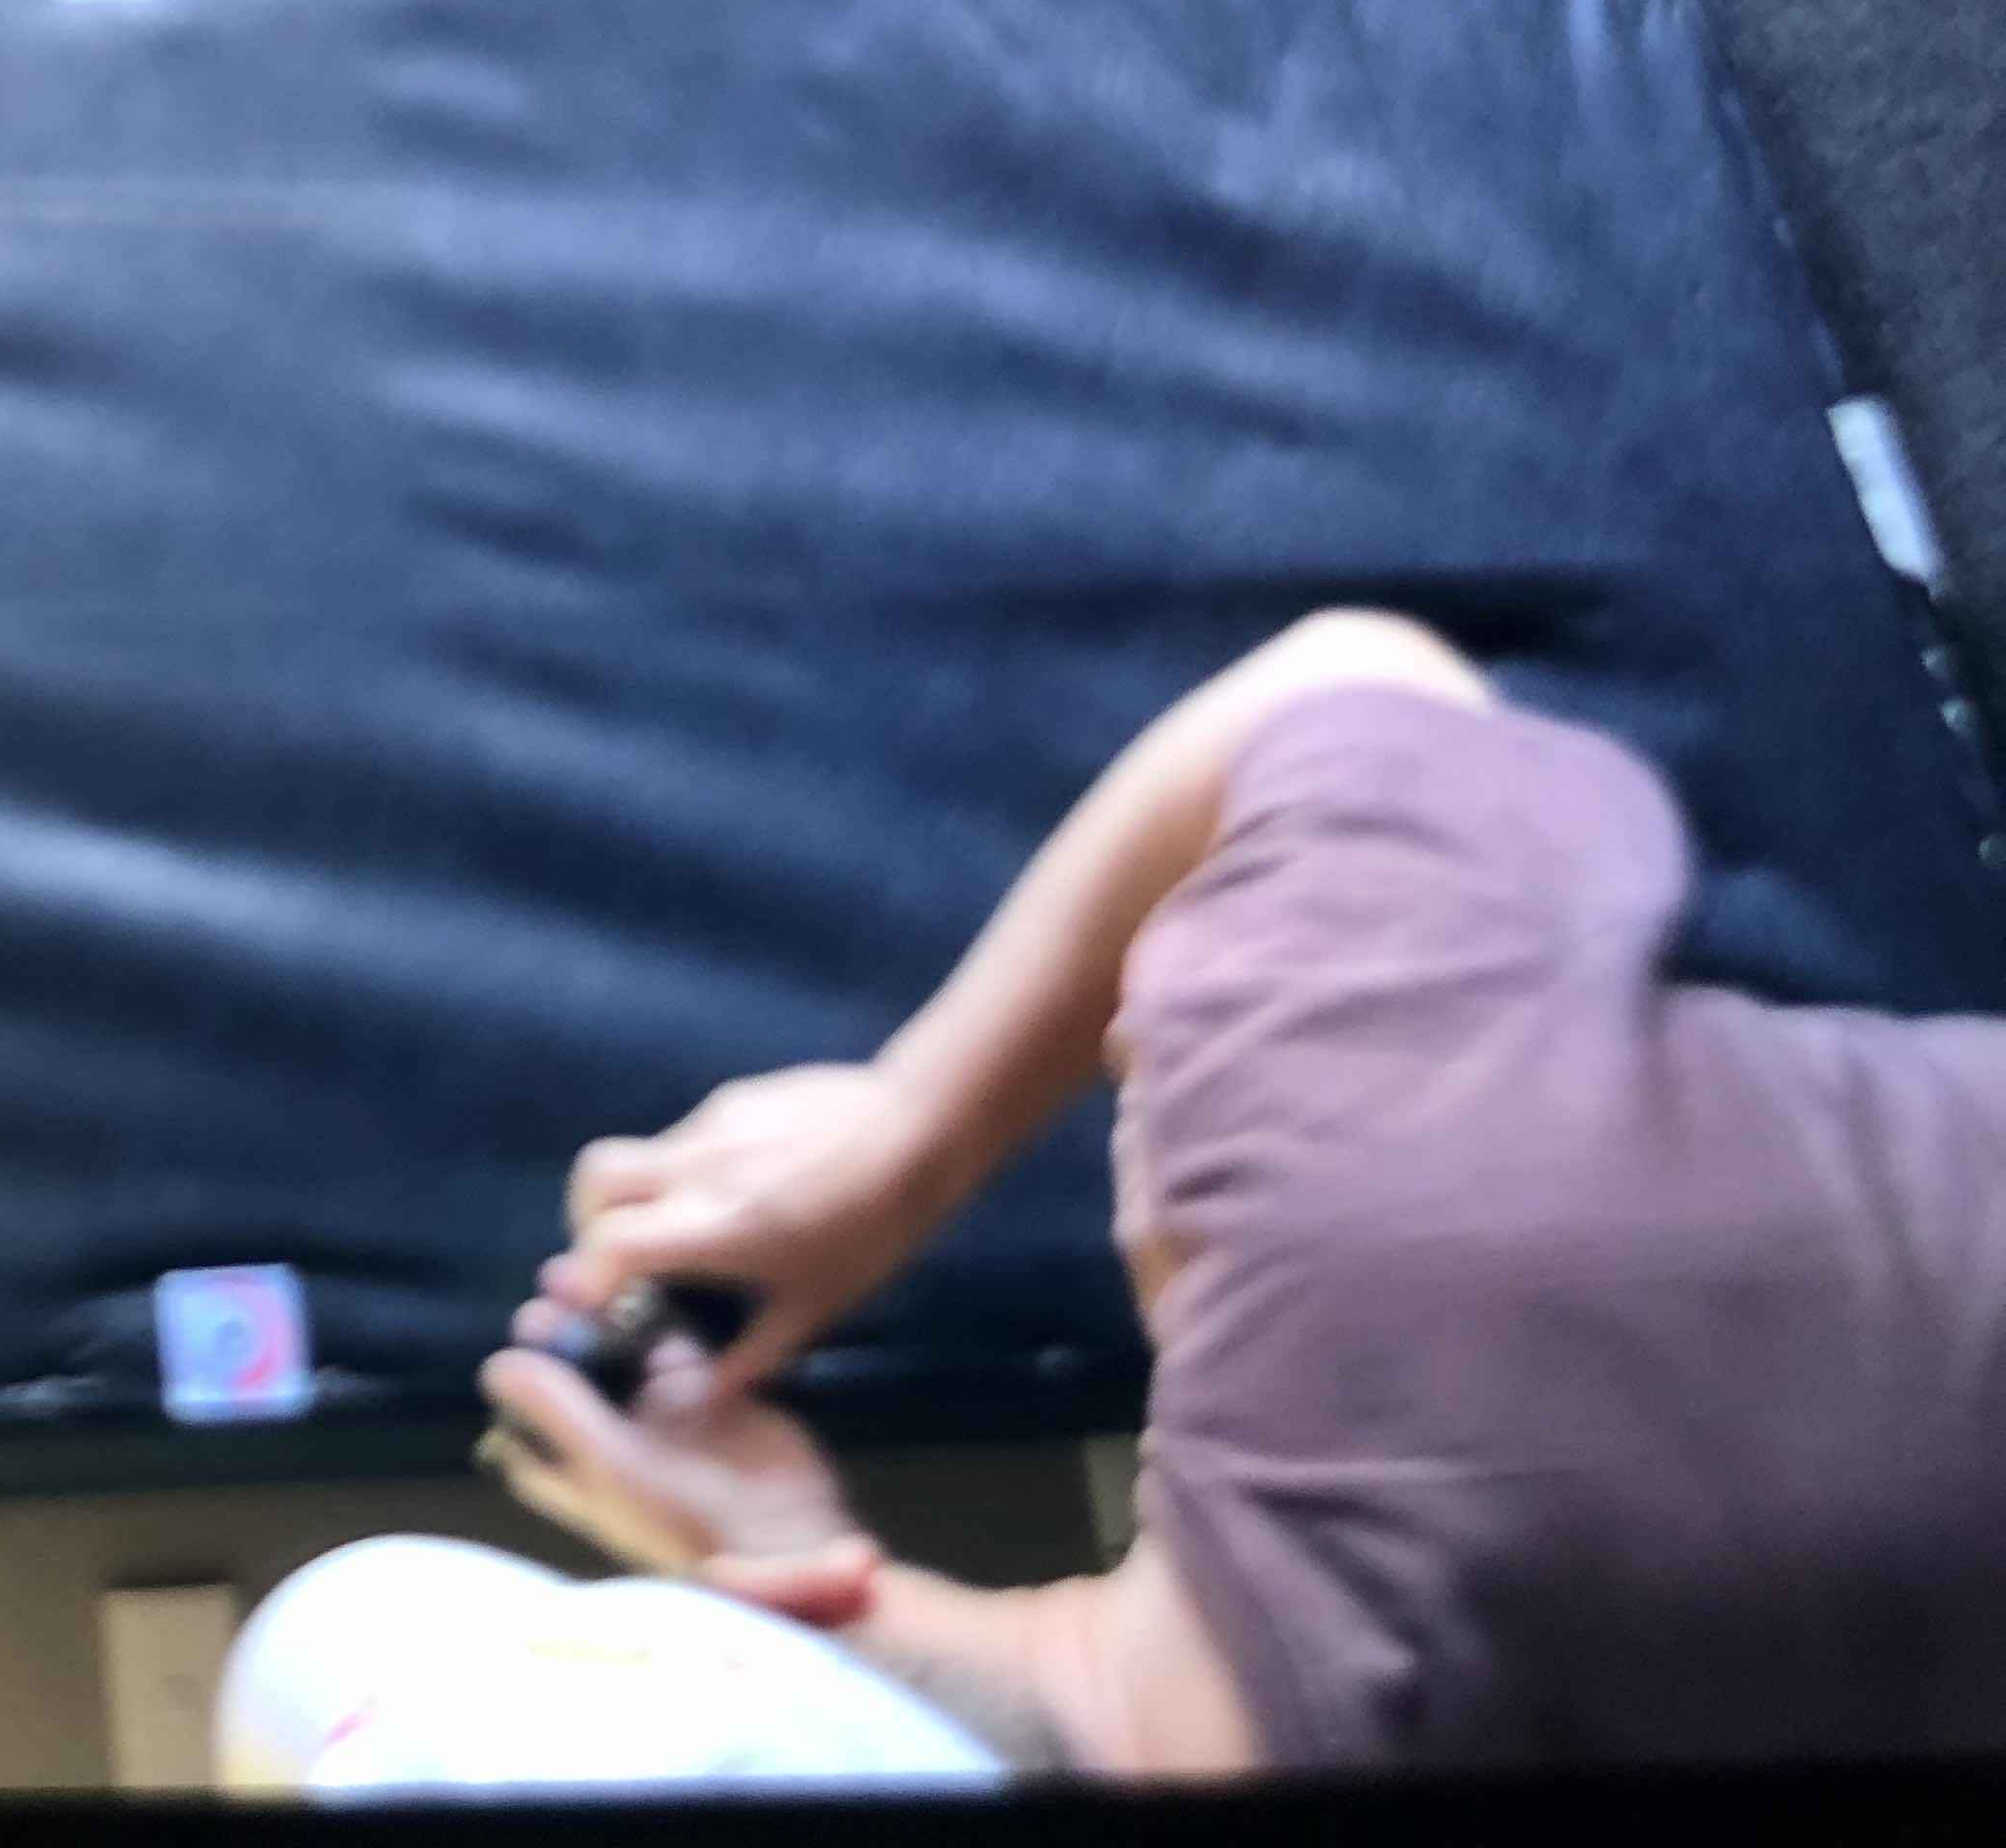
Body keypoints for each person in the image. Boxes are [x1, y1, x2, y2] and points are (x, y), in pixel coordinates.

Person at [217, 609, 2006, 1791]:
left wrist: (792, 1568)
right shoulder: (1378, 1221)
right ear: (767, 1626)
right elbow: (1349, 693)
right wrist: (914, 1128)